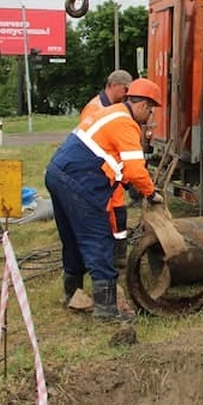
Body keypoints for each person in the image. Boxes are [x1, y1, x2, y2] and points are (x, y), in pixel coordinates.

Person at [45, 78, 164, 321]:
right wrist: (151, 193)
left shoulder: (110, 112)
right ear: (141, 105)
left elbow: (115, 161)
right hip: (81, 181)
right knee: (97, 238)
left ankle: (73, 293)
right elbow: (135, 170)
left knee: (72, 238)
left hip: (57, 173)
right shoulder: (126, 123)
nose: (150, 115)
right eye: (151, 109)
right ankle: (106, 310)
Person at [80, 69, 134, 273]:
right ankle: (103, 259)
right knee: (102, 217)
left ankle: (119, 256)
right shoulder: (95, 108)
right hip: (99, 174)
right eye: (125, 89)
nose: (127, 95)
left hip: (113, 174)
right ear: (113, 85)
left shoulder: (114, 108)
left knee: (119, 214)